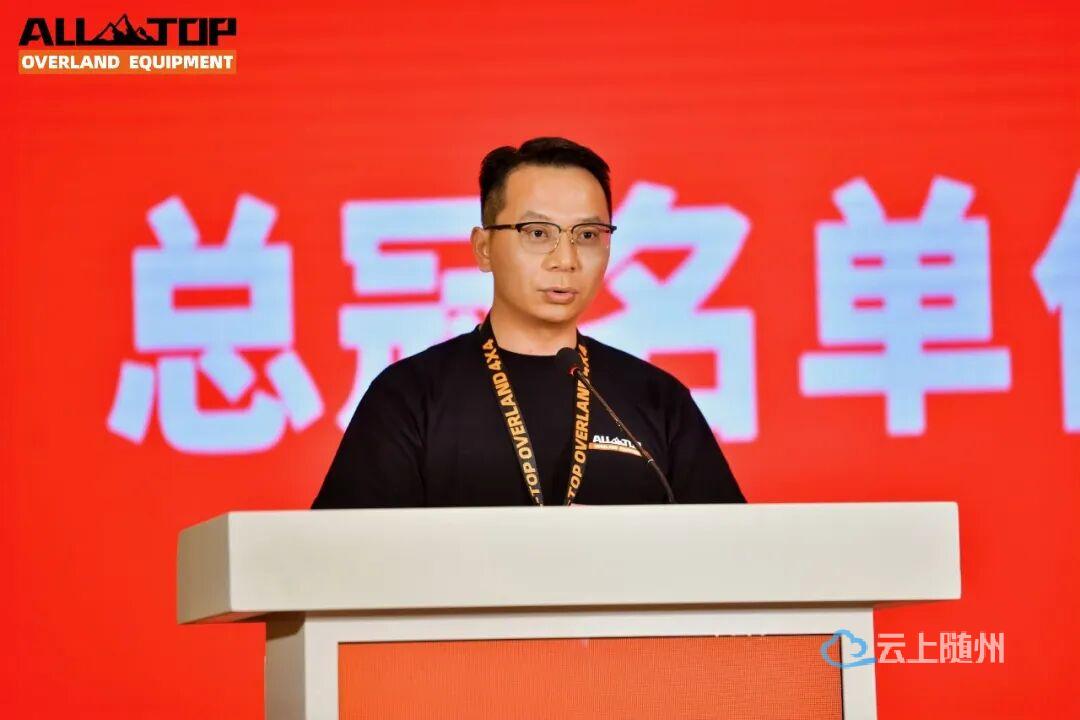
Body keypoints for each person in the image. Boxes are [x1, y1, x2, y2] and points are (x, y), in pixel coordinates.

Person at [312, 137, 745, 508]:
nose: (566, 259)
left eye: (587, 235)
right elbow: (340, 557)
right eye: (538, 233)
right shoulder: (410, 396)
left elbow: (732, 553)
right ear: (483, 248)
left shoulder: (656, 400)